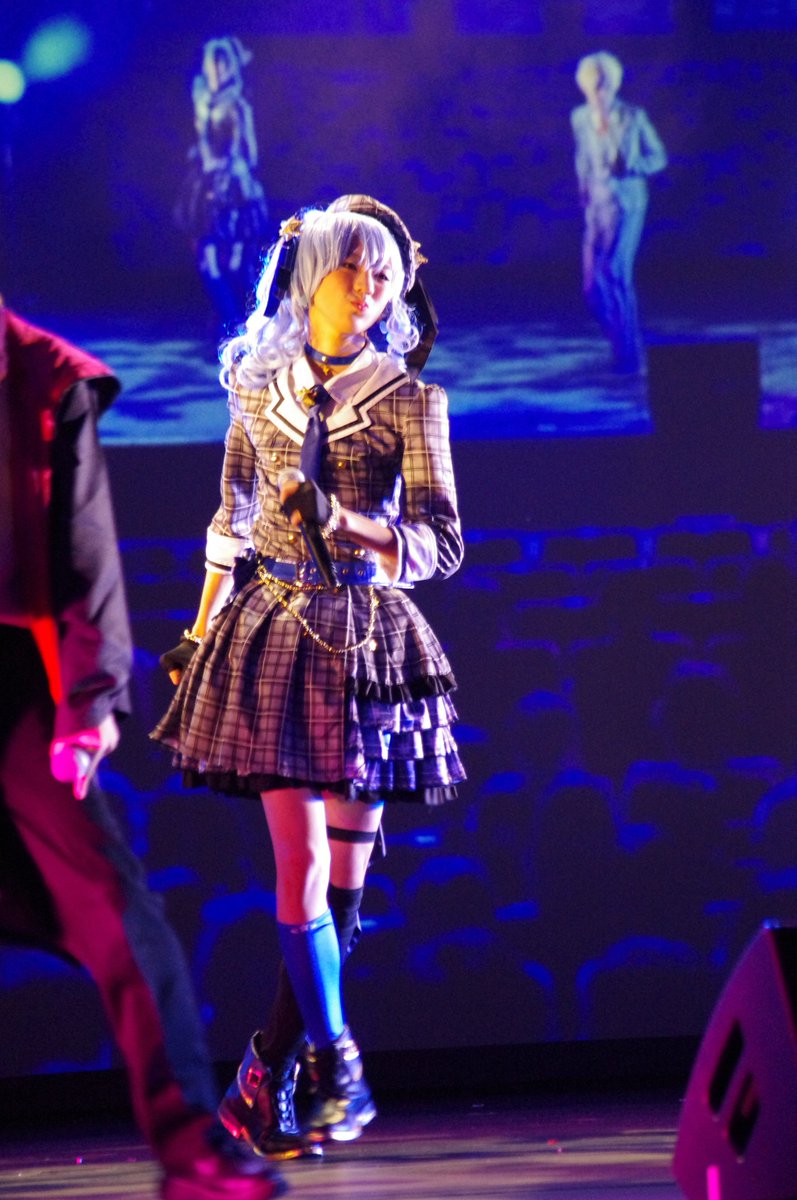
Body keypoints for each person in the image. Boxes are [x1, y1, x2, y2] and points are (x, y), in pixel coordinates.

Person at [152, 195, 465, 1159]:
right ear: (312, 274)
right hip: (274, 635)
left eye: (384, 276)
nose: (368, 289)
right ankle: (335, 1059)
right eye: (351, 270)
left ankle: (263, 1078)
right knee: (304, 869)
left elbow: (441, 543)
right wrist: (199, 632)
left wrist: (346, 523)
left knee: (342, 901)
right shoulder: (254, 383)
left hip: (365, 643)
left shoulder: (410, 398)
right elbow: (231, 514)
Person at [0, 299, 285, 1200]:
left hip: (9, 681)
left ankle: (193, 1145)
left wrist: (89, 697)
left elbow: (82, 542)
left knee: (116, 911)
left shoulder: (43, 377)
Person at [571, 51, 667, 373]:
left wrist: (633, 166)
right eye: (593, 85)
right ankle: (622, 344)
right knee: (591, 285)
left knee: (616, 273)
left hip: (626, 203)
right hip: (596, 206)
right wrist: (583, 188)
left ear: (613, 84)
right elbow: (583, 156)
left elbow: (659, 157)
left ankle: (629, 355)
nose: (599, 92)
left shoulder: (633, 117)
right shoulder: (580, 118)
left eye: (604, 85)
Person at [175, 36, 269, 337]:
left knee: (237, 265)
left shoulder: (237, 104)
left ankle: (244, 328)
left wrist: (228, 166)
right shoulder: (203, 99)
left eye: (222, 62)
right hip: (206, 190)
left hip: (233, 191)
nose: (217, 69)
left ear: (231, 66)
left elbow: (251, 153)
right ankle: (234, 326)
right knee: (210, 262)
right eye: (212, 63)